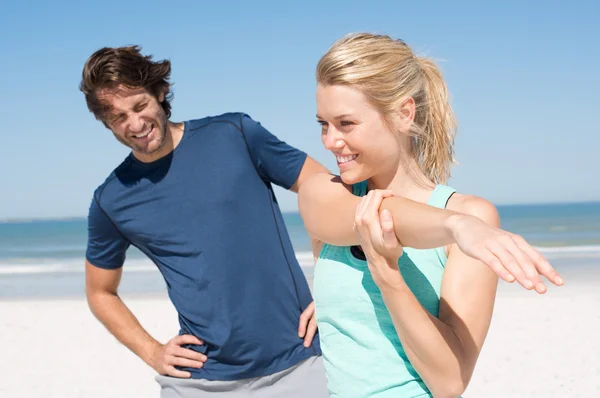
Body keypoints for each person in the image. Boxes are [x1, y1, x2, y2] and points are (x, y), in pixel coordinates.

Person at [80, 44, 561, 397]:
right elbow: (101, 291)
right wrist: (149, 350)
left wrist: (450, 227)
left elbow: (339, 199)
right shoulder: (111, 199)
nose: (133, 123)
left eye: (138, 105)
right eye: (115, 118)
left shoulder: (233, 134)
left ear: (160, 93)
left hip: (297, 369)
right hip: (202, 380)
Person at [297, 33, 564, 397]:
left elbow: (449, 382)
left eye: (346, 124)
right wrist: (455, 227)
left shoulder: (473, 215)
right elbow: (375, 214)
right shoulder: (322, 195)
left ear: (404, 114)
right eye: (323, 124)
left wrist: (388, 276)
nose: (329, 141)